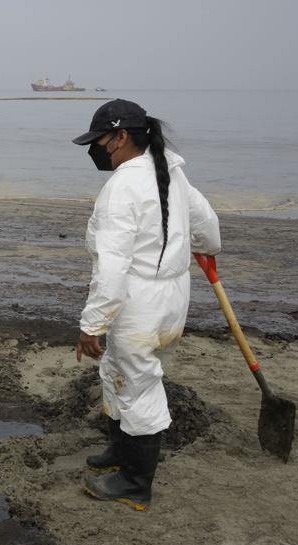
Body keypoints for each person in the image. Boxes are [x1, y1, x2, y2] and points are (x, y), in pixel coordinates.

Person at [71, 99, 221, 510]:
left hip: (138, 300)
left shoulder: (122, 187)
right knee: (118, 370)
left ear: (120, 137)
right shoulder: (170, 171)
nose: (95, 149)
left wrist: (92, 325)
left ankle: (136, 483)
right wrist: (199, 247)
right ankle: (120, 453)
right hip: (172, 297)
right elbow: (209, 231)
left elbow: (113, 267)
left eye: (98, 141)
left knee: (139, 385)